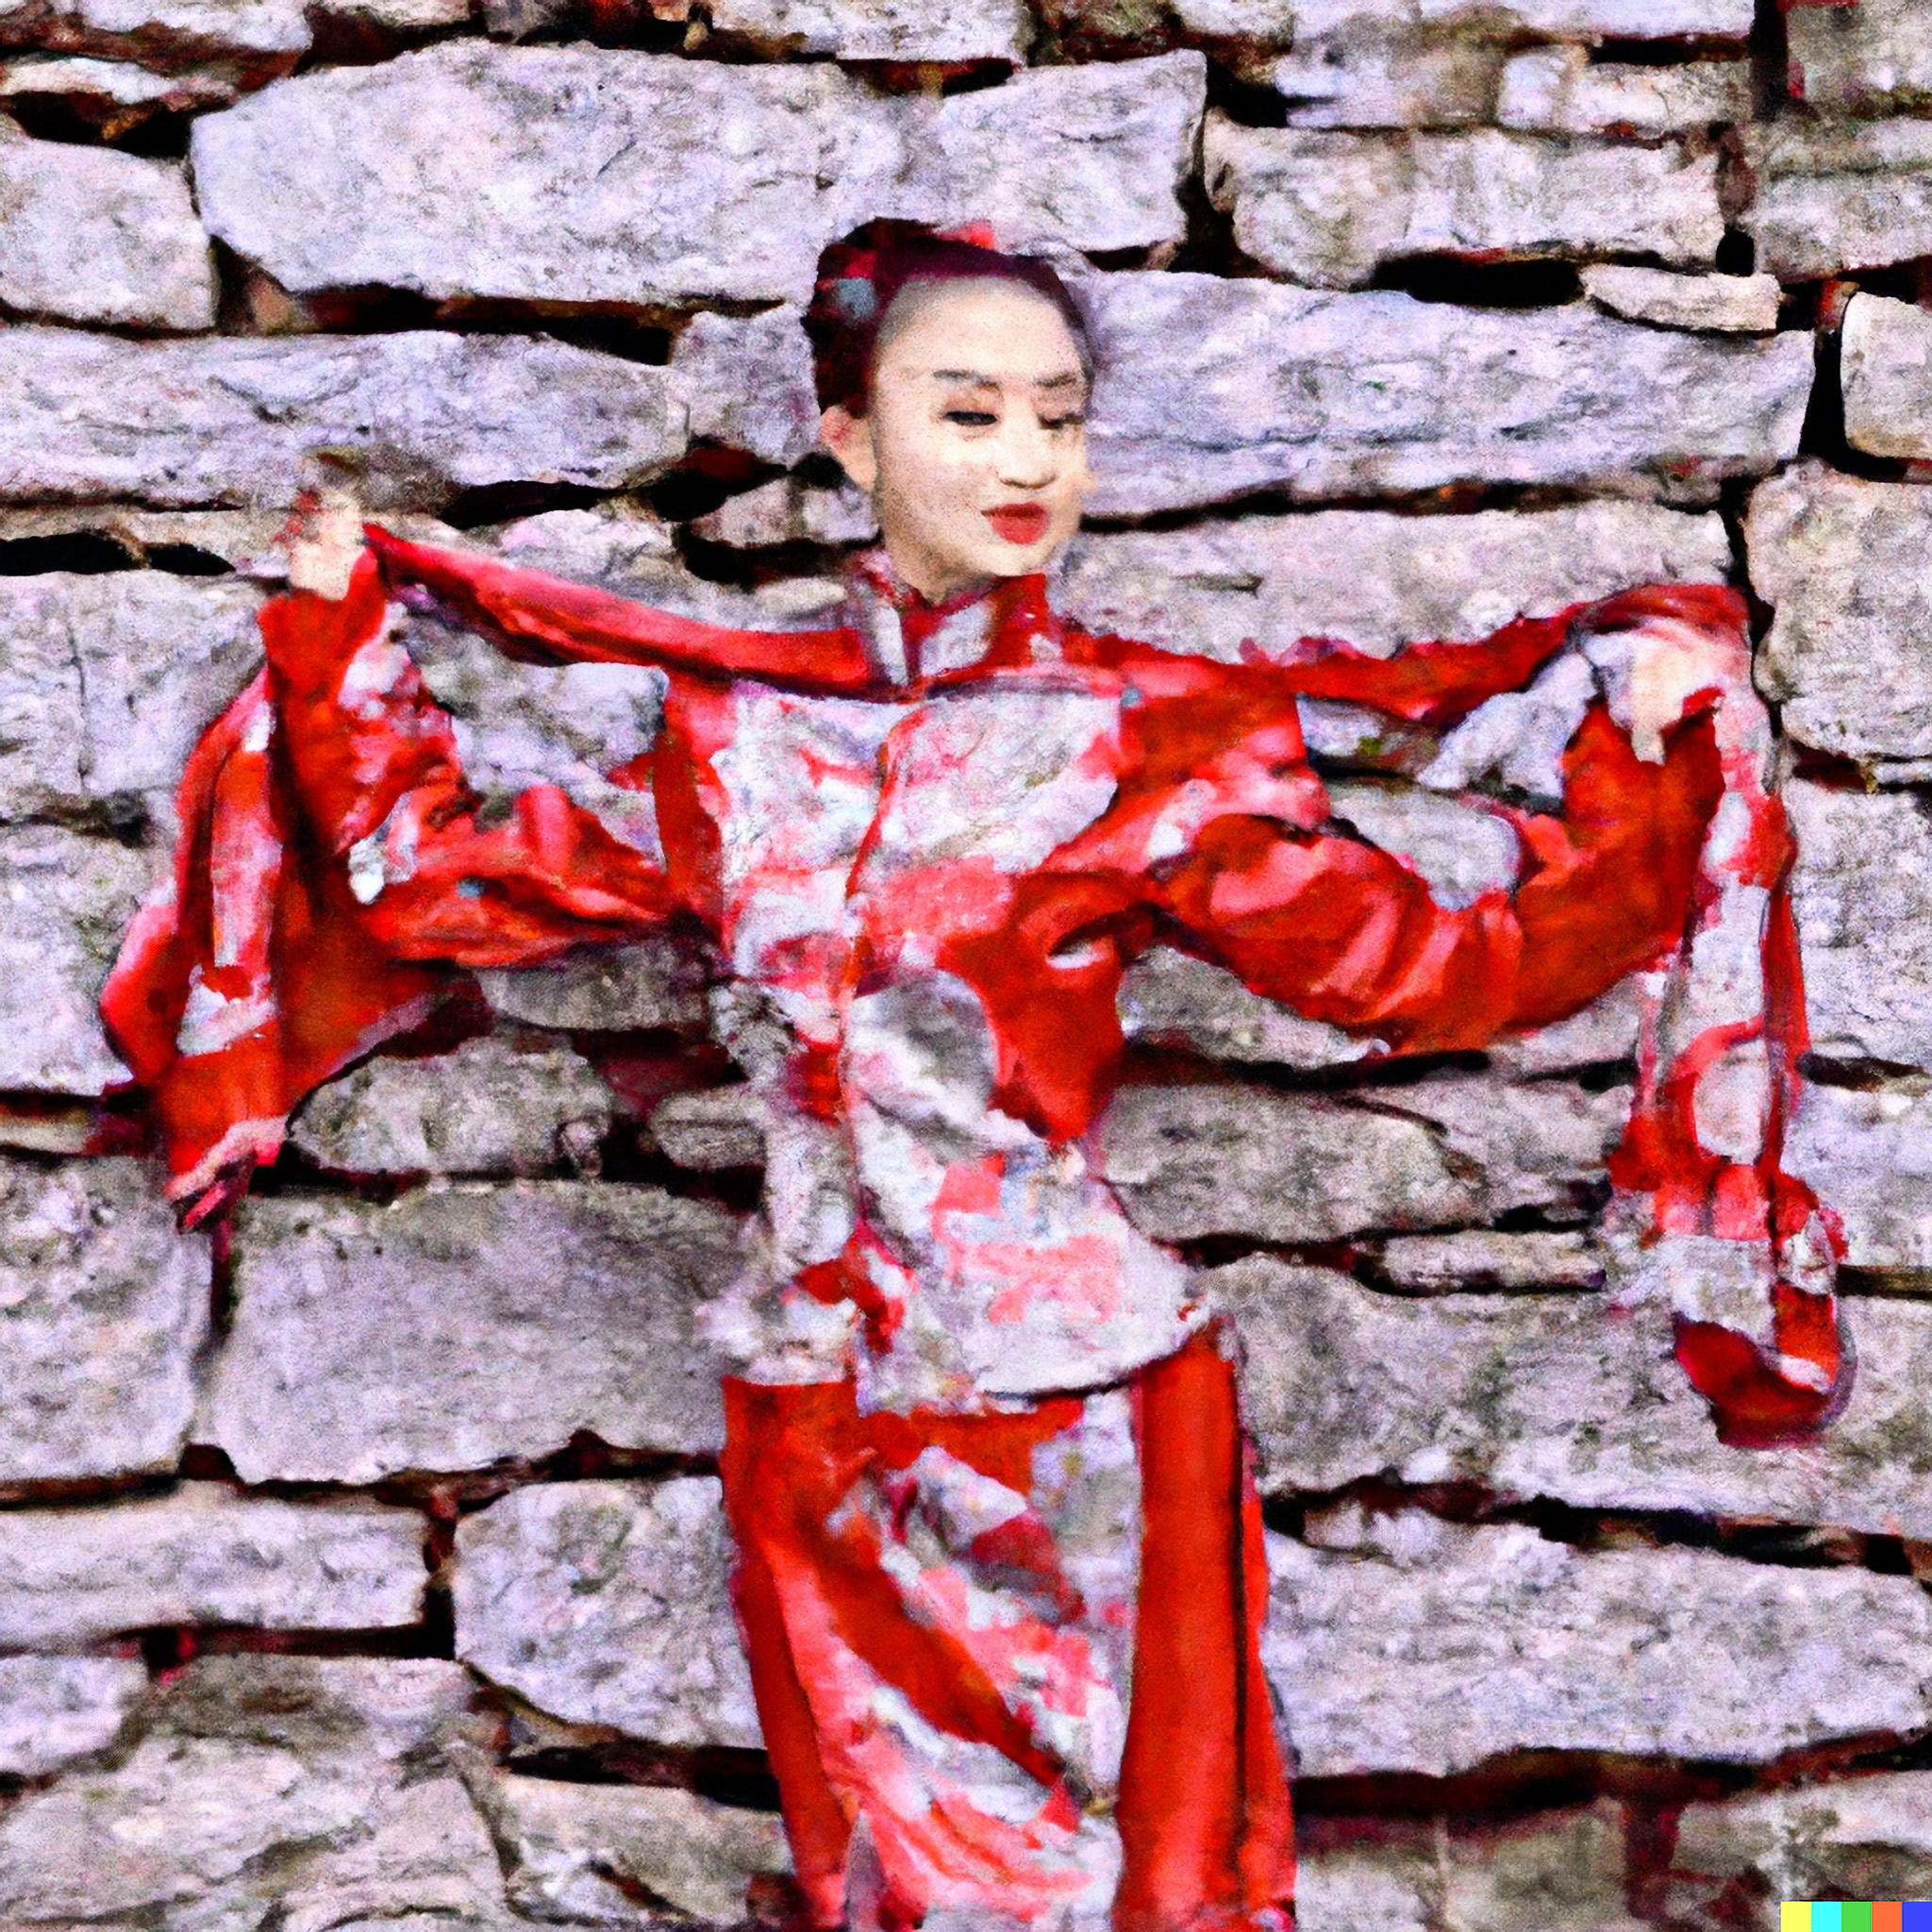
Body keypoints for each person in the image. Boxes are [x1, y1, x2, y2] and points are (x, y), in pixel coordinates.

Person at [104, 219, 1845, 1932]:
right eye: (969, 411)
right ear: (851, 438)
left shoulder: (1149, 739)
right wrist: (335, 639)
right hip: (809, 1404)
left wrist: (1651, 771)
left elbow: (1424, 971)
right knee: (878, 1890)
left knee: (1116, 1891)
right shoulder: (736, 733)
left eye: (1059, 418)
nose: (1026, 461)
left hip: (1071, 1405)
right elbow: (431, 884)